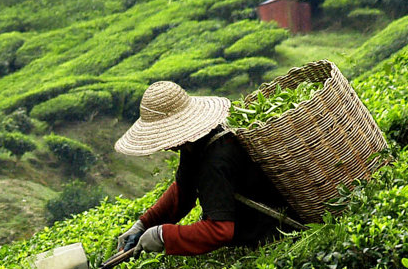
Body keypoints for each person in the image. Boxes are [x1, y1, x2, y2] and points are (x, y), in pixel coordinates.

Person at [114, 80, 297, 257]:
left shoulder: (216, 160)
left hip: (273, 233)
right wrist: (144, 224)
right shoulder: (197, 142)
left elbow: (219, 231)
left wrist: (163, 236)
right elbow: (182, 192)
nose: (164, 147)